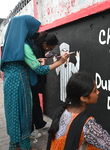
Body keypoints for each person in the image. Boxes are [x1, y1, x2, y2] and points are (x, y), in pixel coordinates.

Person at [1, 15, 69, 150]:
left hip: (9, 83)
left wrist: (34, 62)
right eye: (34, 29)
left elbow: (16, 62)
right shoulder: (24, 46)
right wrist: (60, 62)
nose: (36, 33)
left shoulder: (9, 44)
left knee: (13, 113)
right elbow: (40, 70)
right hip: (20, 84)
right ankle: (25, 146)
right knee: (23, 113)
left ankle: (14, 145)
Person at [47, 72, 110, 150]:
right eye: (94, 91)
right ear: (83, 98)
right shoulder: (87, 125)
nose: (98, 92)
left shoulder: (61, 109)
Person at [30, 32, 60, 139]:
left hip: (35, 81)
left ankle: (40, 124)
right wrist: (60, 62)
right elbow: (39, 69)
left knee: (35, 102)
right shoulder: (33, 49)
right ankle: (30, 130)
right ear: (45, 44)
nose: (49, 50)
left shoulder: (38, 48)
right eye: (50, 48)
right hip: (32, 81)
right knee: (31, 104)